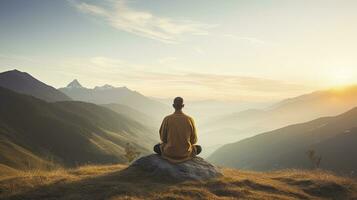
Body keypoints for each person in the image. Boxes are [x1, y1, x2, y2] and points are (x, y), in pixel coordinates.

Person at [153, 97, 202, 163]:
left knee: (156, 147)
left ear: (173, 106)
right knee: (199, 148)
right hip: (185, 153)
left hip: (169, 152)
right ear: (183, 106)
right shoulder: (189, 119)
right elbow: (194, 140)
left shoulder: (167, 119)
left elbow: (163, 138)